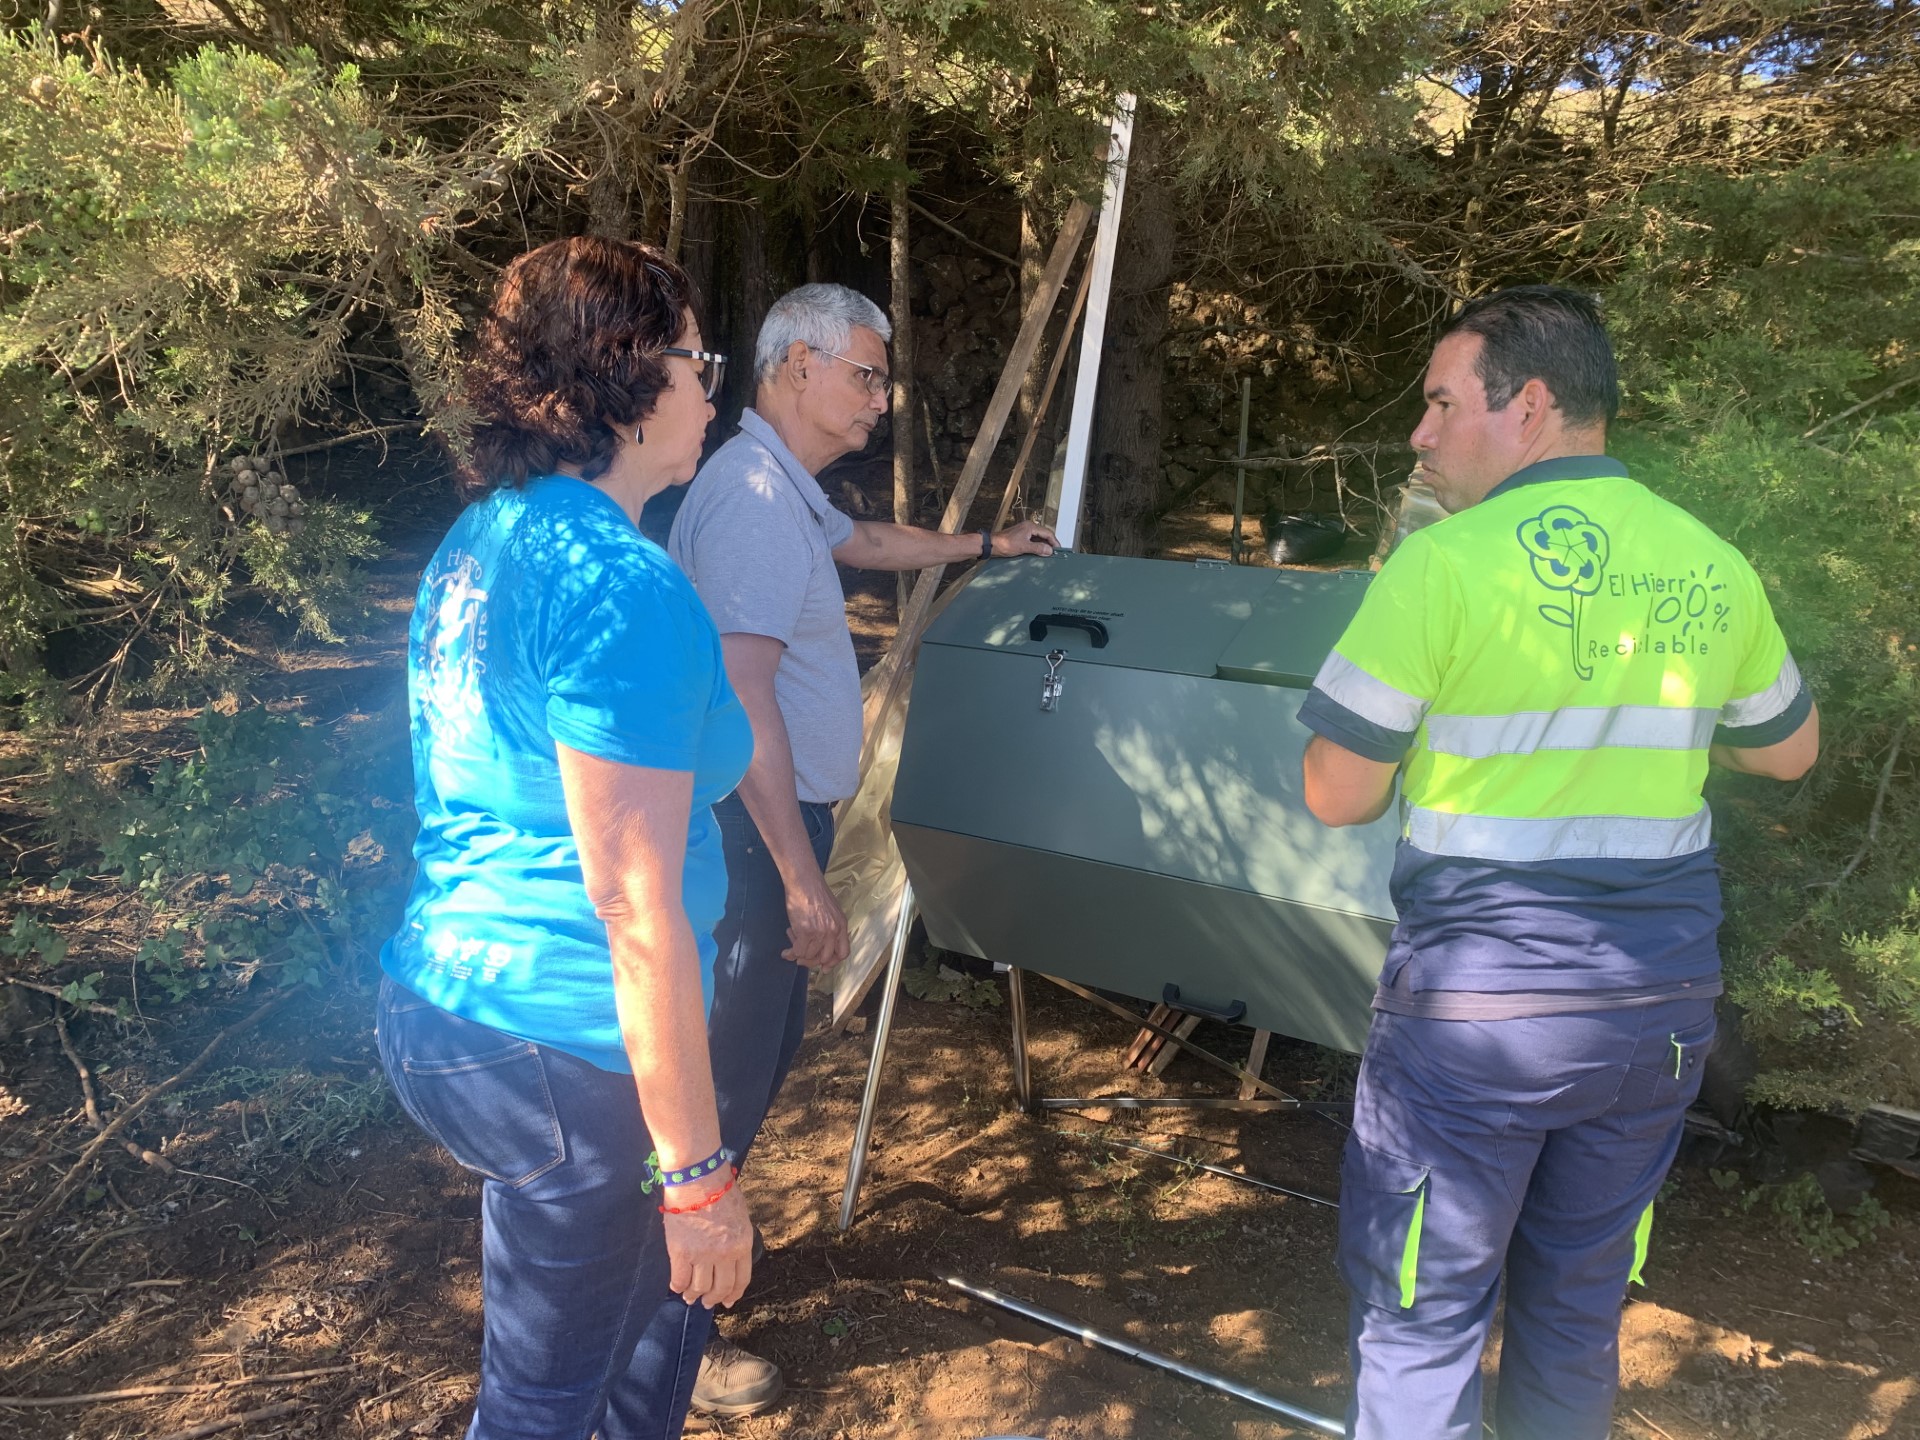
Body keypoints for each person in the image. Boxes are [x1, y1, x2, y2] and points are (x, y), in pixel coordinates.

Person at [1297, 285, 1819, 1440]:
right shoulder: (1711, 562)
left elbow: (1337, 794)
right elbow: (1789, 751)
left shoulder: (1439, 566)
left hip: (1479, 1022)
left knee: (1423, 1319)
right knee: (1577, 1316)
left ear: (1528, 404)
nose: (1422, 433)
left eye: (1441, 403)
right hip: (1658, 1017)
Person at [374, 236, 756, 1439]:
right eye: (700, 360)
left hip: (454, 1001)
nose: (712, 389)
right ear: (631, 373)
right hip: (564, 1045)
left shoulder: (485, 538)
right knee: (540, 1406)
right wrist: (697, 1177)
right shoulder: (616, 587)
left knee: (645, 1336)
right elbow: (632, 903)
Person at [668, 282, 1058, 1413]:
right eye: (866, 375)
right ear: (795, 366)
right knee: (720, 1087)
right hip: (754, 842)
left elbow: (872, 541)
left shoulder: (785, 490)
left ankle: (692, 1289)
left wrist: (989, 541)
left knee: (748, 1068)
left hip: (776, 835)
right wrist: (800, 878)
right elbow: (741, 701)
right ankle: (674, 1338)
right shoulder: (747, 500)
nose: (881, 399)